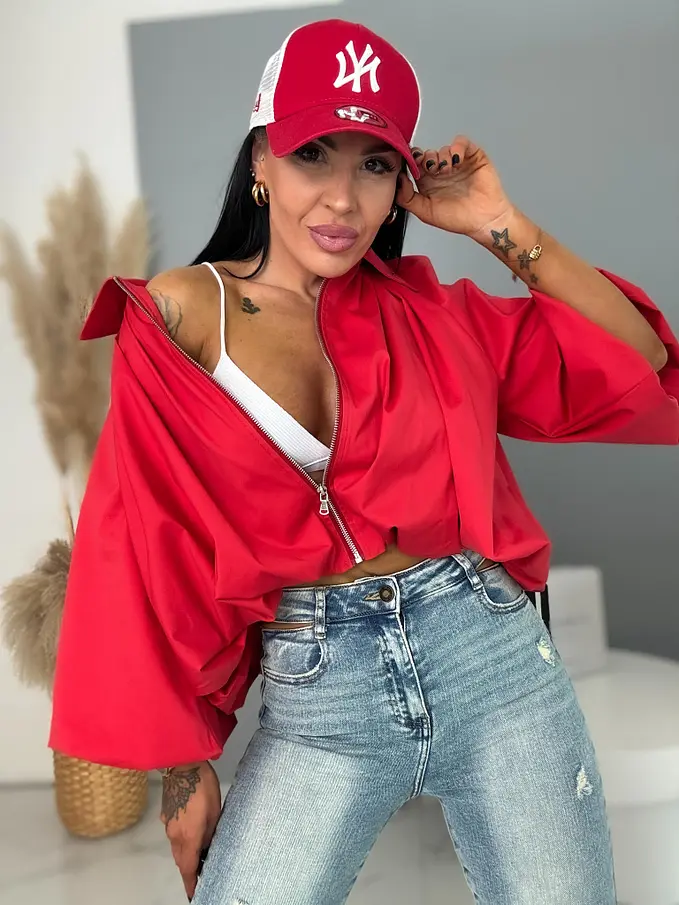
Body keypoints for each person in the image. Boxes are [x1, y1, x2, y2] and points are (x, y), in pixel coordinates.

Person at [50, 17, 678, 905]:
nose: (342, 199)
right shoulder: (184, 313)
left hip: (491, 657)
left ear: (398, 186)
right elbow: (147, 538)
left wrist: (496, 222)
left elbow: (635, 358)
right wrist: (185, 766)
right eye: (313, 154)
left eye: (374, 165)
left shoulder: (434, 316)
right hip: (320, 693)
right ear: (261, 159)